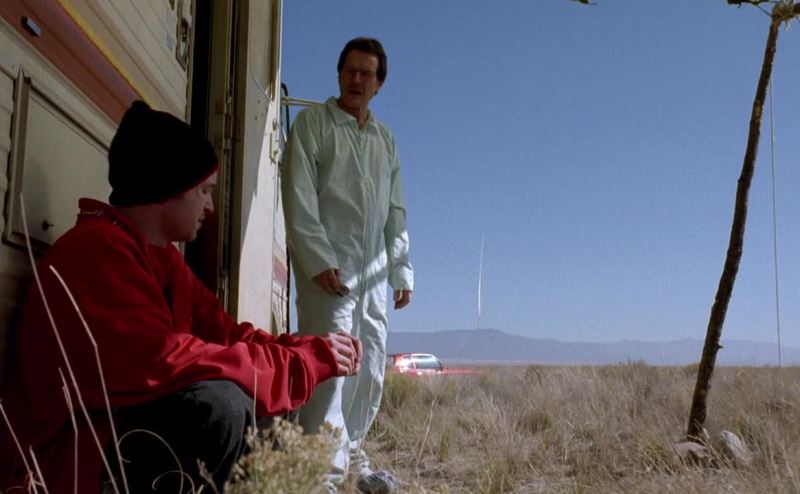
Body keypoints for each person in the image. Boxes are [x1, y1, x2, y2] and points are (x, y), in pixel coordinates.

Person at [0, 100, 362, 494]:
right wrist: (296, 365)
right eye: (204, 190)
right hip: (65, 461)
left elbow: (226, 333)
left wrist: (302, 351)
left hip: (109, 437)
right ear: (167, 187)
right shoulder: (96, 251)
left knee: (262, 398)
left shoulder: (160, 258)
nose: (210, 206)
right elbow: (166, 359)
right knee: (219, 406)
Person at [282, 37, 414, 493]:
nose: (356, 80)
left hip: (372, 275)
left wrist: (401, 269)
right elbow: (298, 195)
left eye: (366, 73)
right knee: (330, 369)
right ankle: (319, 474)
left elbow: (395, 210)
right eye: (349, 71)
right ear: (338, 74)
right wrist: (318, 258)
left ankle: (353, 453)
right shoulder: (313, 125)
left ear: (380, 84)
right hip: (329, 273)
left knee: (369, 365)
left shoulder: (384, 139)